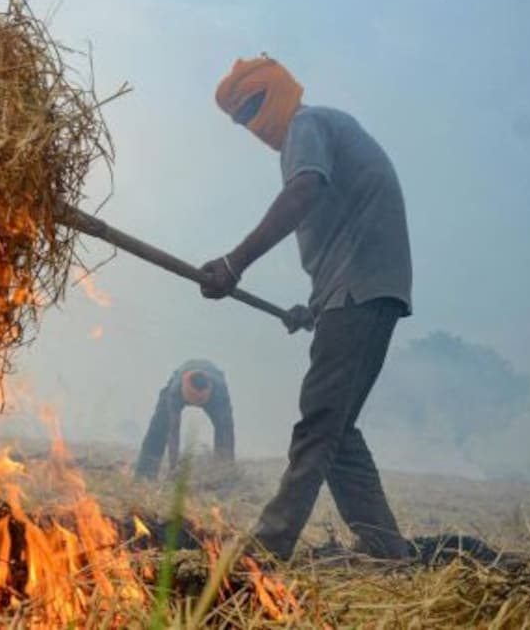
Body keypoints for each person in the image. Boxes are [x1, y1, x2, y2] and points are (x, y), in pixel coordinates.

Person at [198, 55, 413, 560]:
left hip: (358, 293)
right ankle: (388, 552)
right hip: (354, 294)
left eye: (253, 106)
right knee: (337, 431)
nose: (252, 123)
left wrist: (235, 262)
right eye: (241, 118)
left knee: (319, 422)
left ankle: (268, 548)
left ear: (277, 91)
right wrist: (313, 310)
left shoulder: (306, 124)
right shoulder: (323, 128)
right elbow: (346, 229)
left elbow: (302, 194)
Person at [134, 359, 235, 480]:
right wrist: (173, 468)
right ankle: (144, 476)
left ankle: (225, 478)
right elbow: (173, 431)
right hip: (180, 381)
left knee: (225, 434)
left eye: (200, 400)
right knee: (158, 428)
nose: (197, 404)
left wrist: (225, 466)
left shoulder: (219, 393)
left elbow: (226, 433)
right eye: (194, 399)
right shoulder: (175, 391)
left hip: (215, 391)